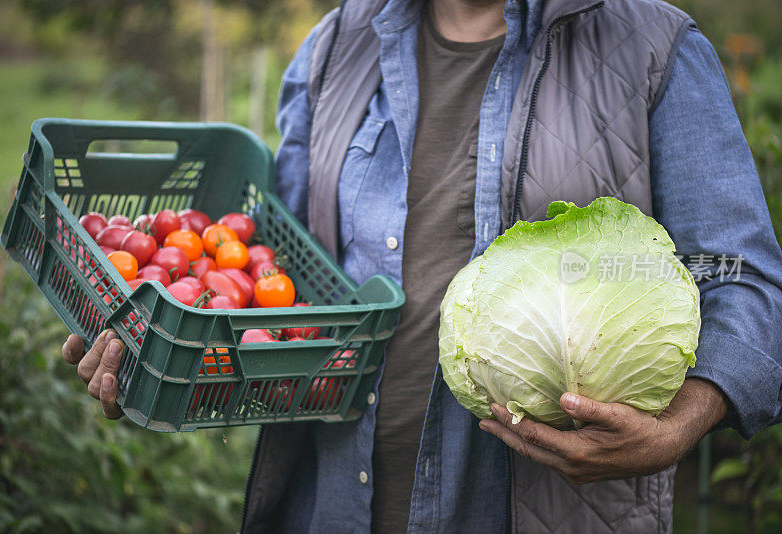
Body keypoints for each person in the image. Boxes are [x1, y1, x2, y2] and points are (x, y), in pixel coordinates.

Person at [62, 0, 782, 532]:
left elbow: (742, 277)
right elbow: (269, 278)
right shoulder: (334, 46)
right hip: (329, 505)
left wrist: (681, 424)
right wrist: (160, 348)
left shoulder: (652, 46)